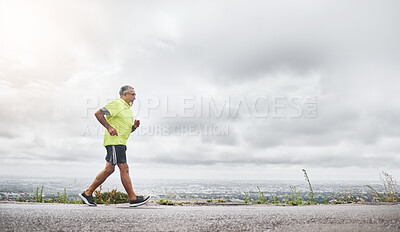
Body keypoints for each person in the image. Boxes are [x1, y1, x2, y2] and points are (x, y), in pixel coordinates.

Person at [79, 85, 150, 207]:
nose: (134, 98)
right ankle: (133, 198)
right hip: (114, 142)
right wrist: (109, 127)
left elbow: (127, 131)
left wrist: (134, 127)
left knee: (109, 169)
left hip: (120, 143)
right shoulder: (117, 104)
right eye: (132, 94)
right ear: (124, 94)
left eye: (135, 95)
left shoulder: (128, 111)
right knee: (124, 168)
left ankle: (87, 193)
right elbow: (98, 113)